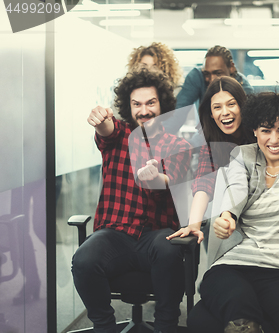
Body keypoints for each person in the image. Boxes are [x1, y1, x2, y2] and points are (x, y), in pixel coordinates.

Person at [187, 92, 279, 333]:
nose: (274, 139)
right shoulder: (242, 155)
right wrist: (227, 215)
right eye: (265, 130)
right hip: (234, 265)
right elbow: (236, 187)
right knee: (206, 320)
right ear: (254, 130)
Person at [72, 67, 192, 333]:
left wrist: (155, 179)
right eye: (136, 104)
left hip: (156, 236)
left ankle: (165, 326)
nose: (144, 110)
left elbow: (173, 179)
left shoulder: (178, 145)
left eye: (151, 103)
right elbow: (106, 130)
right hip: (115, 234)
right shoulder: (119, 136)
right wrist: (100, 119)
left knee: (169, 248)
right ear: (128, 107)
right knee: (84, 259)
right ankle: (104, 327)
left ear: (163, 104)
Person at [167, 76, 255, 243]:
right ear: (211, 114)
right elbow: (203, 183)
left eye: (231, 104)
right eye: (217, 107)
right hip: (226, 220)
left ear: (243, 106)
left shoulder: (259, 134)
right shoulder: (211, 143)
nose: (225, 112)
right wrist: (194, 224)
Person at [163, 45, 254, 146]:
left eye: (218, 73)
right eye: (207, 74)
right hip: (211, 135)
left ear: (231, 67)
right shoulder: (197, 77)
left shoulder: (245, 90)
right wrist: (158, 142)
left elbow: (251, 128)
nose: (212, 79)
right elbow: (177, 114)